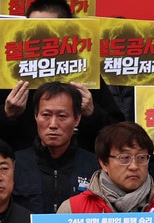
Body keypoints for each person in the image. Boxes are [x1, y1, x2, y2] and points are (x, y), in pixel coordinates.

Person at [0, 0, 121, 150]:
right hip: (19, 168)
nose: (38, 36)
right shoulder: (8, 74)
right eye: (32, 28)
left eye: (46, 30)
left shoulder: (85, 75)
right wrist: (6, 114)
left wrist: (92, 113)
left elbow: (119, 136)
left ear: (67, 31)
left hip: (78, 168)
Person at [12, 83, 98, 214]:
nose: (53, 124)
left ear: (77, 119)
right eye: (46, 115)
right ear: (36, 116)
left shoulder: (94, 166)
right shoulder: (14, 163)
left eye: (62, 116)